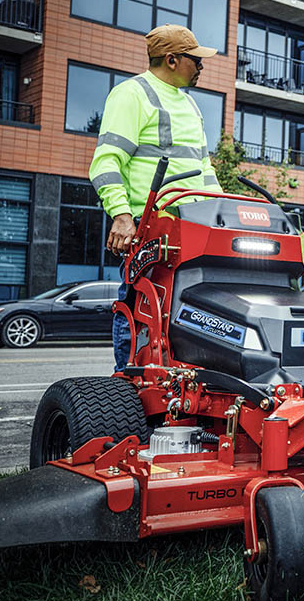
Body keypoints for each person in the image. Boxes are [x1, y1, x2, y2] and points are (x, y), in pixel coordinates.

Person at [87, 24, 221, 372]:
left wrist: (222, 213)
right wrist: (120, 214)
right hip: (152, 229)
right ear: (172, 59)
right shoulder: (132, 94)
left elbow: (204, 169)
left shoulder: (190, 105)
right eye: (196, 60)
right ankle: (128, 384)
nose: (201, 67)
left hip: (194, 229)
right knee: (142, 306)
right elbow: (107, 161)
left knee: (190, 312)